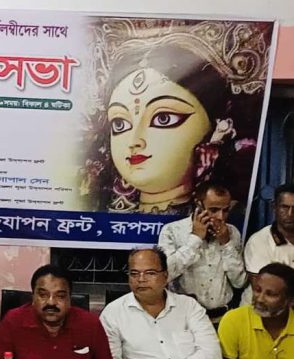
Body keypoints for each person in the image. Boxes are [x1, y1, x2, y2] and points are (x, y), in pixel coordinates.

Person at [79, 19, 267, 215]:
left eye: (163, 119)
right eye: (120, 124)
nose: (135, 141)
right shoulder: (96, 211)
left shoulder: (222, 216)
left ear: (215, 125)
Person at [100, 247, 222, 359]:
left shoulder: (189, 306)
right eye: (134, 274)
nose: (141, 279)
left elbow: (211, 352)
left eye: (150, 273)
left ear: (165, 276)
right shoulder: (113, 312)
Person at [0, 265, 115, 359]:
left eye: (60, 296)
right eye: (43, 295)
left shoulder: (90, 323)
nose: (51, 302)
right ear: (33, 297)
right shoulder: (13, 320)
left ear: (69, 299)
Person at [158, 181, 246, 322]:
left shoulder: (232, 232)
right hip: (184, 319)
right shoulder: (172, 231)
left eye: (225, 210)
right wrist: (195, 239)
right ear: (198, 205)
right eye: (214, 210)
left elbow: (239, 282)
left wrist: (226, 243)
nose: (221, 217)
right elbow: (165, 275)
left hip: (222, 318)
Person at [218, 263, 294, 359]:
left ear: (290, 300)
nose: (260, 299)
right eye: (257, 290)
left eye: (271, 294)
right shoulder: (234, 319)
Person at [241, 183, 294, 305]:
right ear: (274, 207)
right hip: (263, 310)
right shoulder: (259, 241)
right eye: (285, 207)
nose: (290, 214)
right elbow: (262, 287)